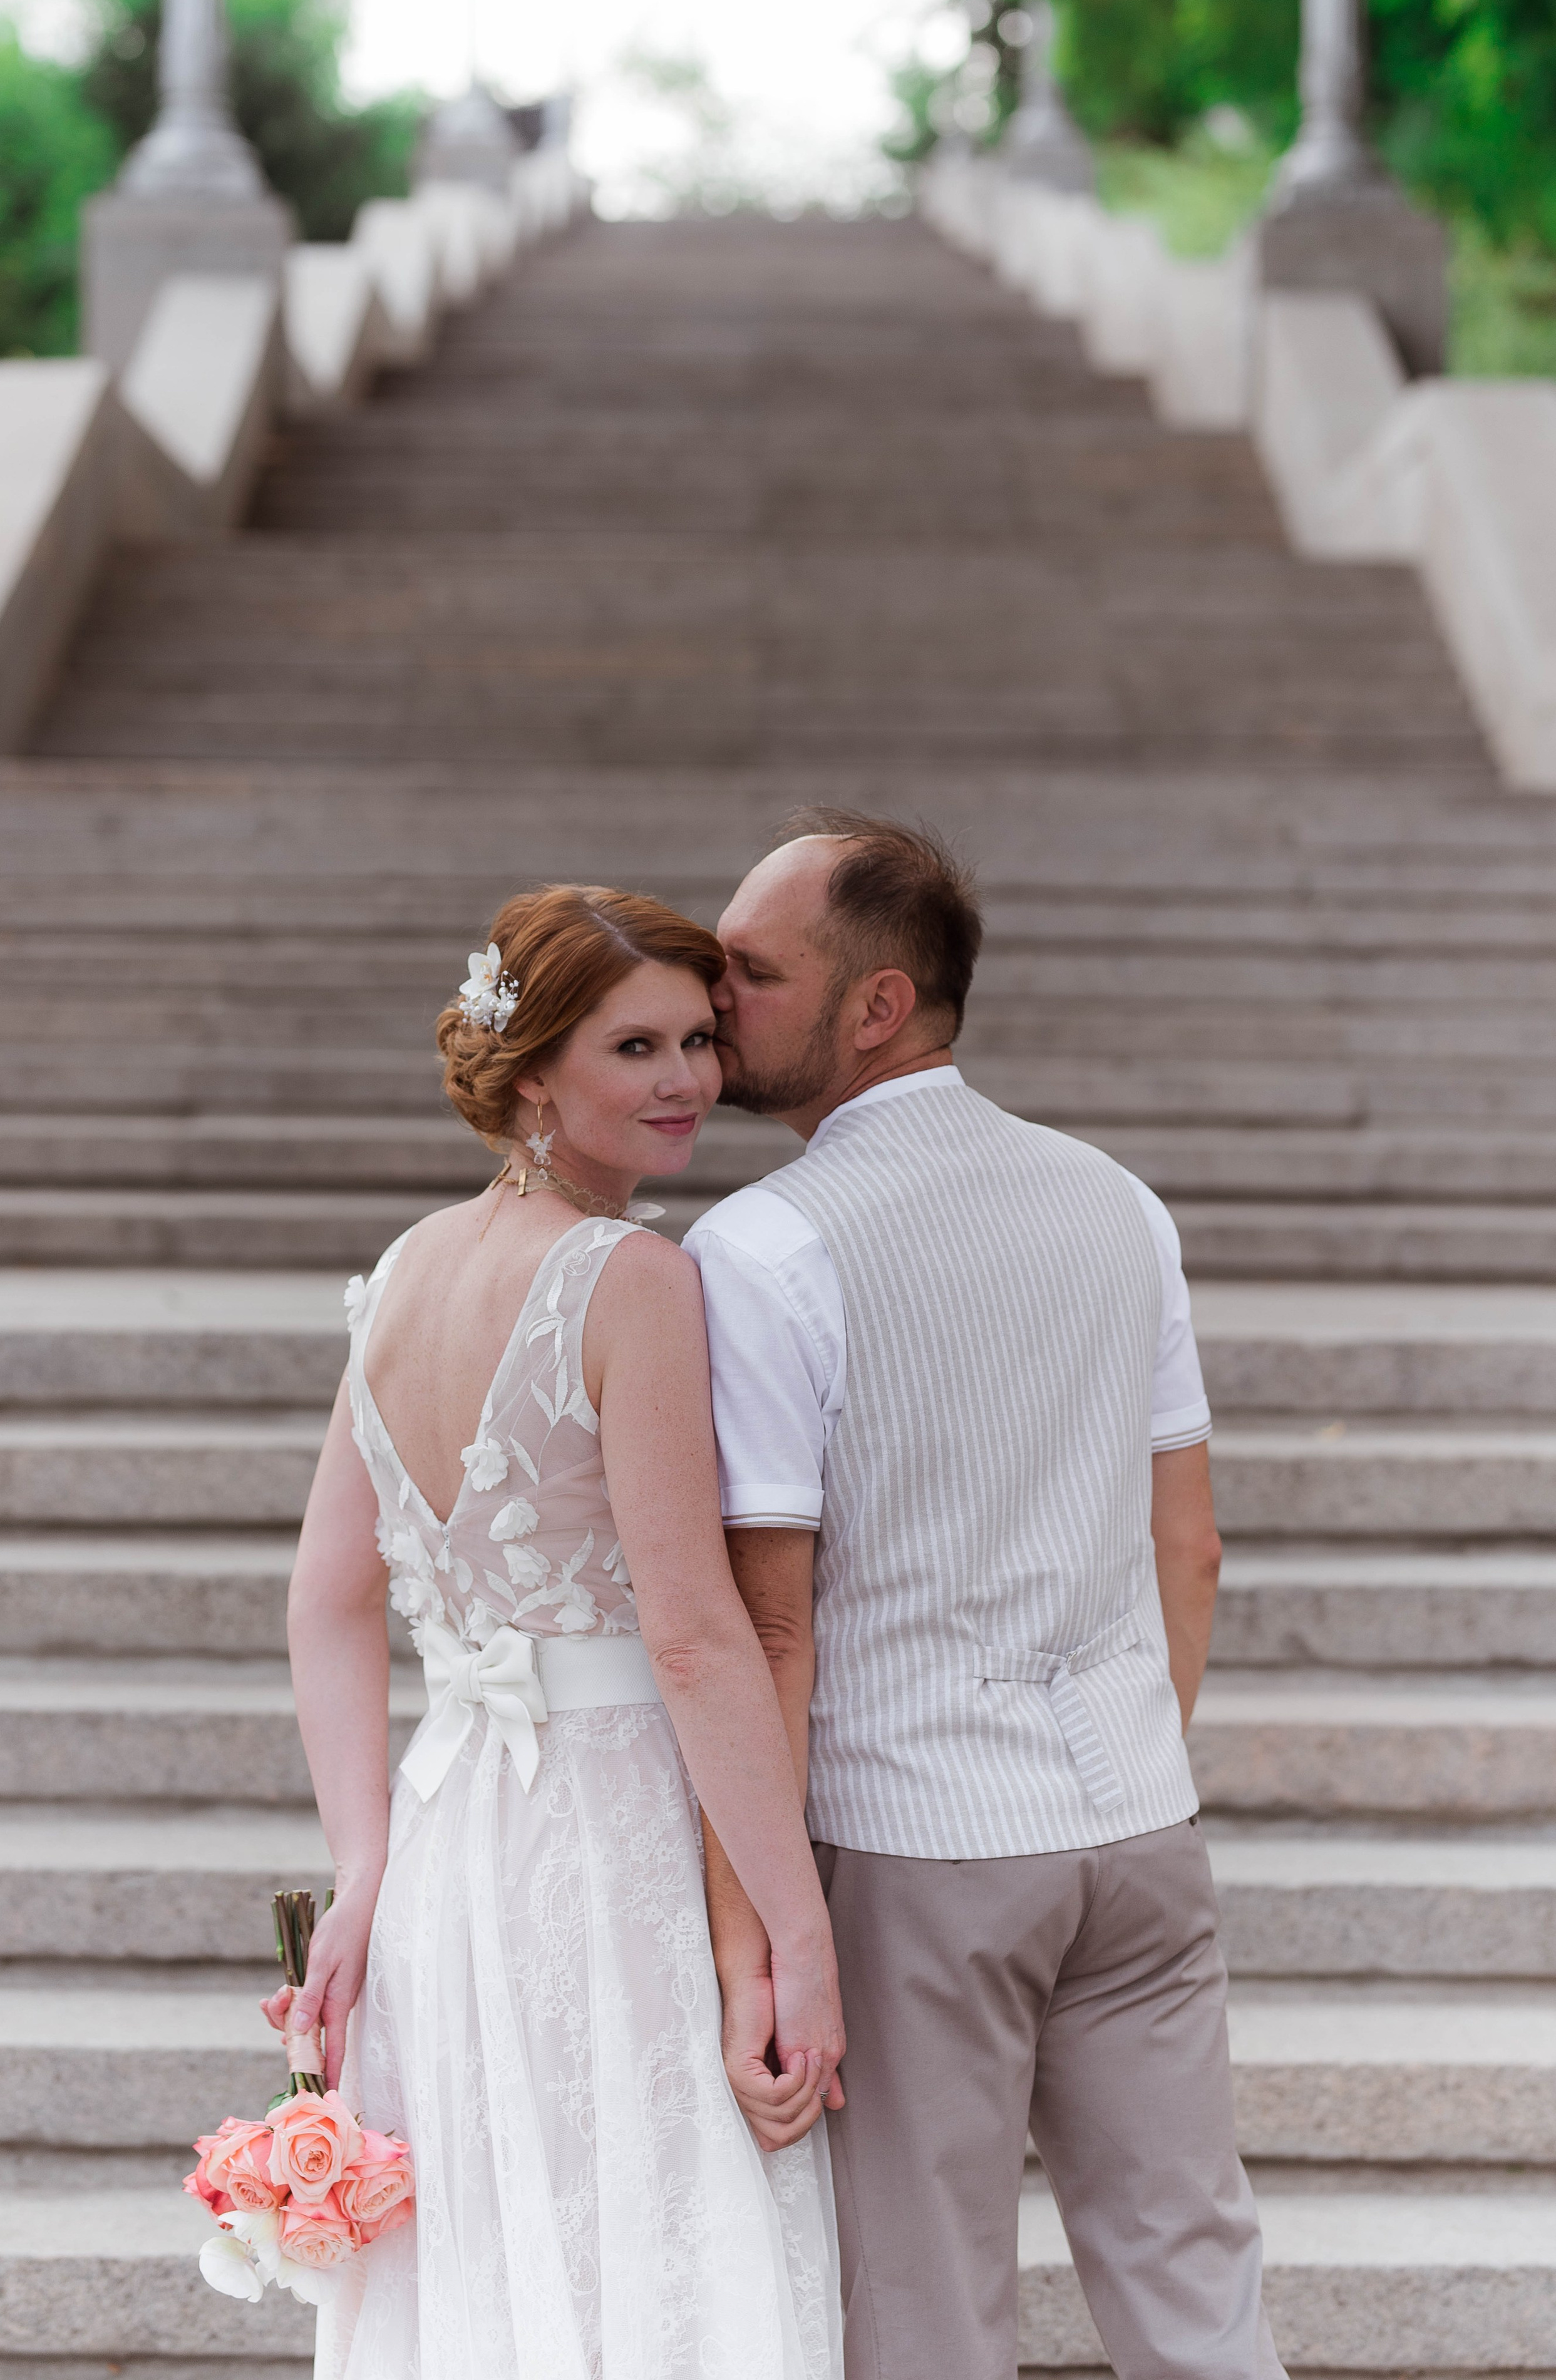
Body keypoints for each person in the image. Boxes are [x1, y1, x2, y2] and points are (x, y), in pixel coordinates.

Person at [684, 810, 1287, 2380]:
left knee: (921, 2313)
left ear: (876, 1005)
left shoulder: (759, 1250)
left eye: (750, 968)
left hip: (915, 1839)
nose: (709, 993)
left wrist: (760, 1935)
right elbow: (1192, 1544)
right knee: (1192, 2279)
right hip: (1135, 1825)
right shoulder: (1117, 1201)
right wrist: (1137, 1762)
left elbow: (768, 1628)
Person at [275, 885, 845, 2380]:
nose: (685, 1081)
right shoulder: (629, 1277)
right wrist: (793, 1933)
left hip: (455, 1835)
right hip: (612, 1825)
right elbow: (698, 1639)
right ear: (531, 1071)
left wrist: (364, 1858)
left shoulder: (400, 1273)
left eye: (701, 1041)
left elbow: (329, 1599)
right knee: (649, 2240)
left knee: (503, 2246)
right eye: (635, 1046)